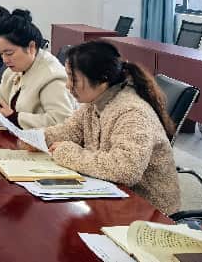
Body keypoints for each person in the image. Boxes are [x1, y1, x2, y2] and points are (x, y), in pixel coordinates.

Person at [39, 41, 180, 215]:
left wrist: (67, 152)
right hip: (112, 195)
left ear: (102, 80)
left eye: (73, 78)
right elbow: (70, 131)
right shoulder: (95, 102)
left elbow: (126, 169)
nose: (68, 85)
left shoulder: (132, 112)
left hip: (149, 212)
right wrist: (37, 138)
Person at [0, 9, 73, 128]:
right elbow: (0, 94)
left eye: (9, 53)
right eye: (1, 53)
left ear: (31, 47)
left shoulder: (52, 76)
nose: (5, 60)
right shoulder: (18, 67)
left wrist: (14, 117)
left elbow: (62, 122)